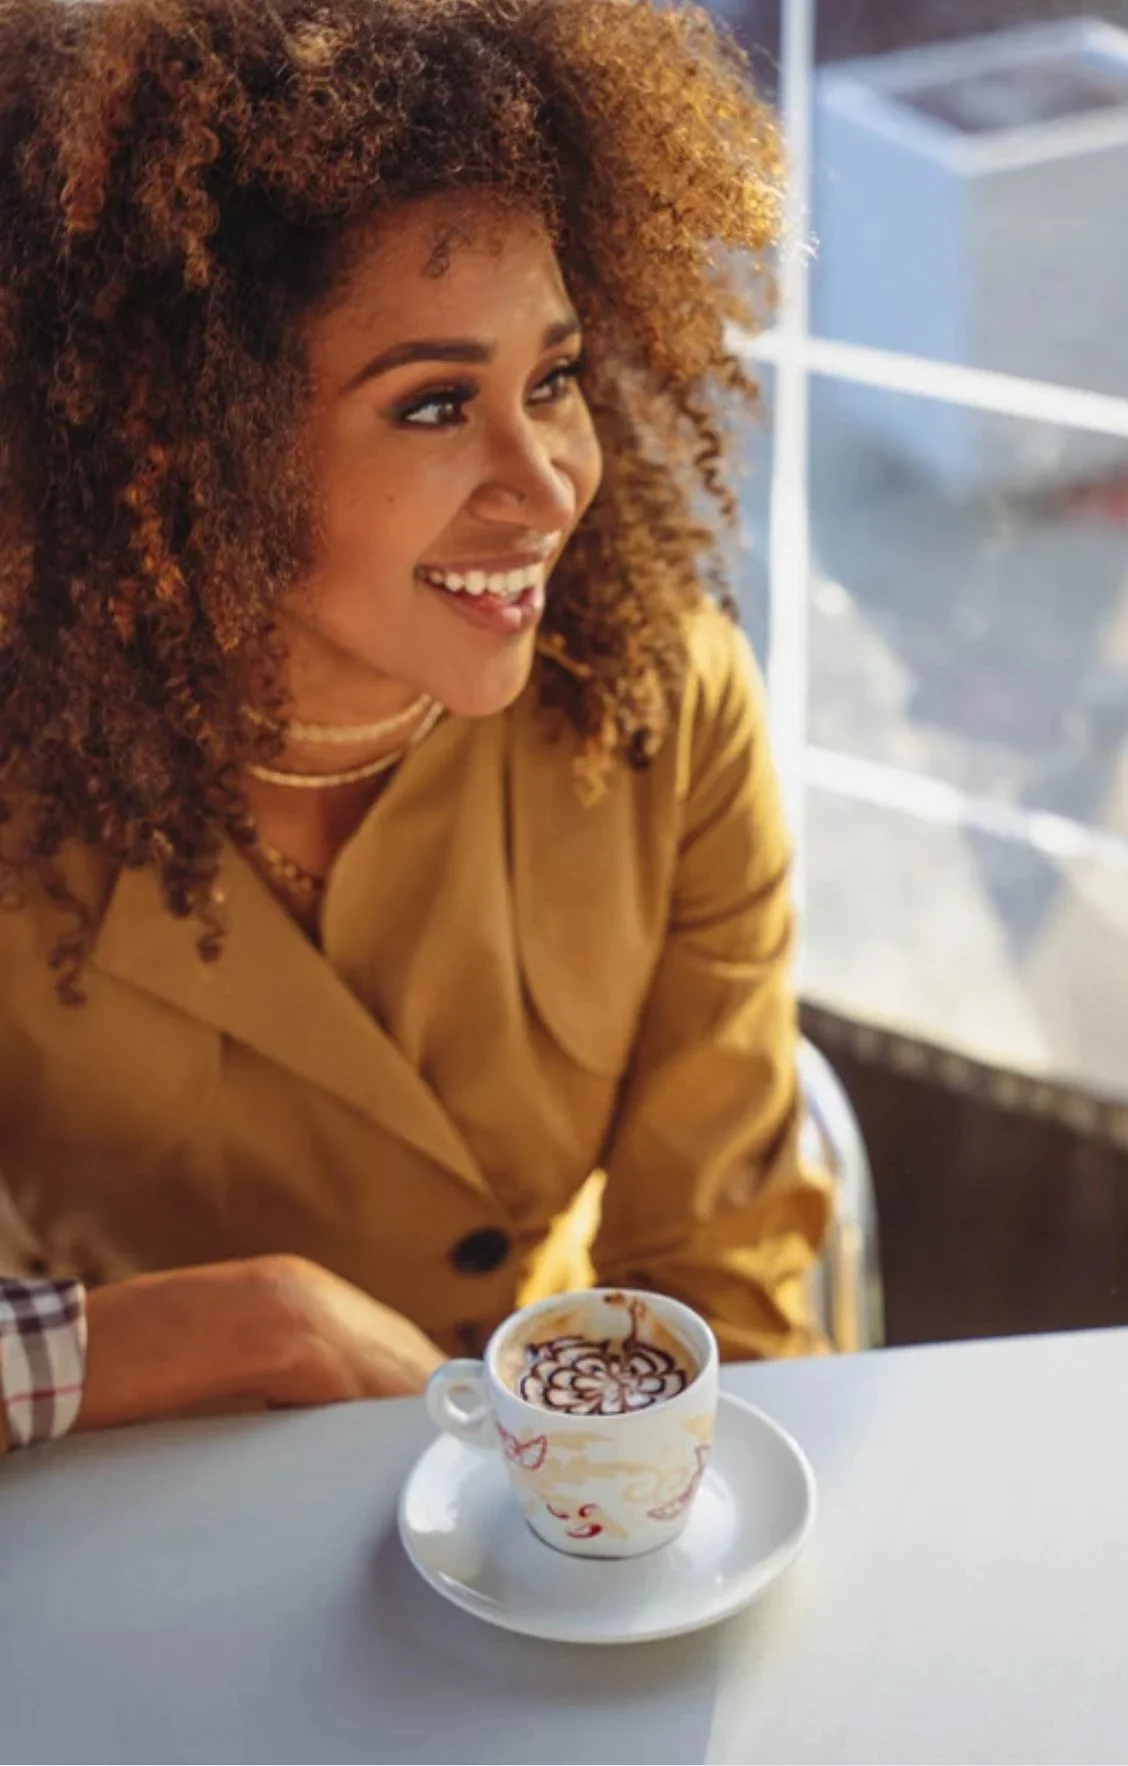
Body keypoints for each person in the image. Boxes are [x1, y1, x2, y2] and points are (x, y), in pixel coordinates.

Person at [0, 0, 832, 1454]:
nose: (549, 480)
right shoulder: (29, 750)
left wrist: (621, 1545)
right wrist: (248, 1323)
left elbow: (728, 1287)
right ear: (190, 433)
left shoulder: (663, 703)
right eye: (438, 403)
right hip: (125, 1529)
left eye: (555, 380)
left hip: (551, 1494)